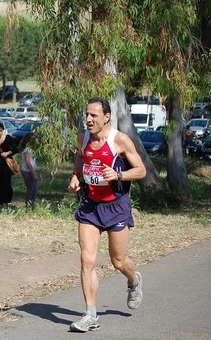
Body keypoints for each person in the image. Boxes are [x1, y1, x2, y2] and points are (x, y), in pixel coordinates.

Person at [67, 97, 146, 332]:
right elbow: (80, 160)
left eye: (93, 115)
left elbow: (141, 170)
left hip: (116, 206)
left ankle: (134, 280)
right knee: (86, 259)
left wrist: (118, 176)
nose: (88, 119)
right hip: (91, 206)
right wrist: (75, 177)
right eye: (86, 115)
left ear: (106, 117)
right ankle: (90, 314)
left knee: (118, 261)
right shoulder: (82, 139)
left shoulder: (119, 140)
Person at [18, 132, 38, 206]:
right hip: (28, 171)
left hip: (30, 171)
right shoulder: (27, 150)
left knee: (35, 189)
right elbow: (28, 162)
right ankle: (28, 205)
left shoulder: (30, 149)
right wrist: (34, 173)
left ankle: (32, 203)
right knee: (31, 189)